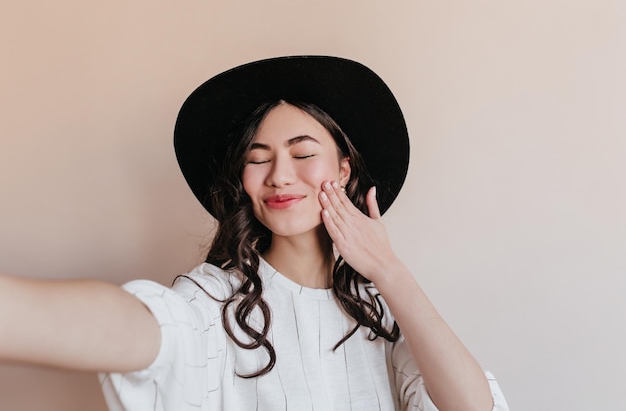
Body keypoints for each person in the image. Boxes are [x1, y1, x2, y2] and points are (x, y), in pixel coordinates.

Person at [0, 56, 510, 411]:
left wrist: (390, 272)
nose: (279, 176)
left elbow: (474, 407)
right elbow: (138, 327)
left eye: (303, 153)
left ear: (346, 170)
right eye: (257, 159)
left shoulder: (378, 312)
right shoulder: (213, 301)